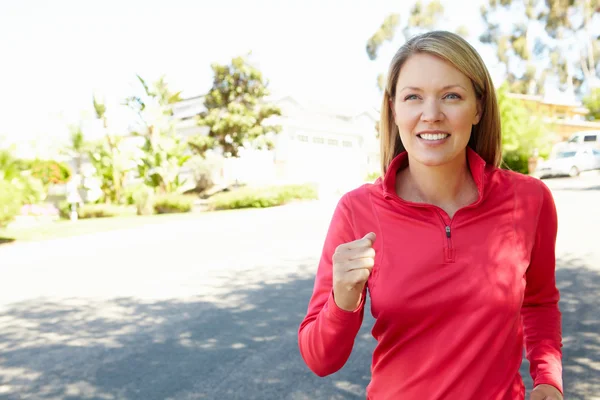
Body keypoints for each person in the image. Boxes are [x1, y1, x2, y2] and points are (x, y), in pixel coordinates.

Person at [297, 31, 563, 400]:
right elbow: (320, 359)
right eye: (413, 97)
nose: (432, 115)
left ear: (478, 108)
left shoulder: (529, 199)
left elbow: (539, 303)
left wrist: (548, 378)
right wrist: (343, 297)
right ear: (394, 109)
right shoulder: (357, 210)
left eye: (451, 96)